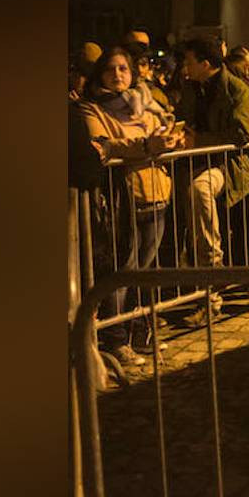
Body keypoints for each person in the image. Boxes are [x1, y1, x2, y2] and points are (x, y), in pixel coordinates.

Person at [75, 46, 182, 366]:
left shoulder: (142, 103)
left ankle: (138, 332)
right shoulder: (90, 108)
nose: (118, 75)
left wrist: (171, 140)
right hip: (123, 198)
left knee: (142, 271)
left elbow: (159, 131)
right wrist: (148, 144)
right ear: (100, 73)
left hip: (156, 193)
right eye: (111, 69)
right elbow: (103, 146)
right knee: (122, 271)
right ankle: (115, 338)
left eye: (124, 68)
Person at [176, 36, 249, 325]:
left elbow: (243, 133)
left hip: (226, 165)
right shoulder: (189, 88)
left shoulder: (236, 88)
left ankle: (214, 274)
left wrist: (199, 140)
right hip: (188, 164)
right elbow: (182, 119)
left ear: (205, 63)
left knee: (200, 192)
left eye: (189, 62)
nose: (184, 68)